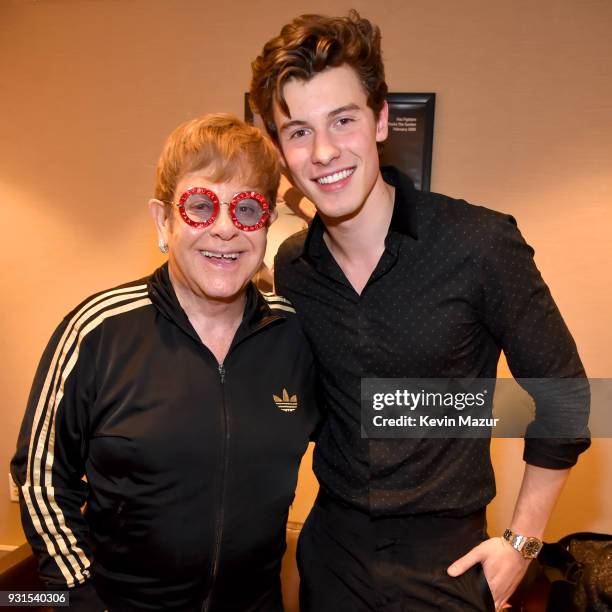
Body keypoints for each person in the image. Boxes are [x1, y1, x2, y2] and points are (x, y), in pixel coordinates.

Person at [250, 11, 590, 611]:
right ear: (281, 150)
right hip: (331, 555)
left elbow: (567, 398)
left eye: (342, 120)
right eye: (298, 131)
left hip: (450, 562)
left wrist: (523, 544)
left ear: (381, 119)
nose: (324, 151)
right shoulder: (296, 267)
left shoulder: (478, 243)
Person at [11, 113, 319, 611]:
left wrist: (496, 538)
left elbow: (381, 430)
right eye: (200, 206)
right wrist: (81, 598)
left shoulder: (295, 334)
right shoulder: (97, 330)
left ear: (265, 225)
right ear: (163, 221)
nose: (224, 230)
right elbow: (40, 478)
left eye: (246, 209)